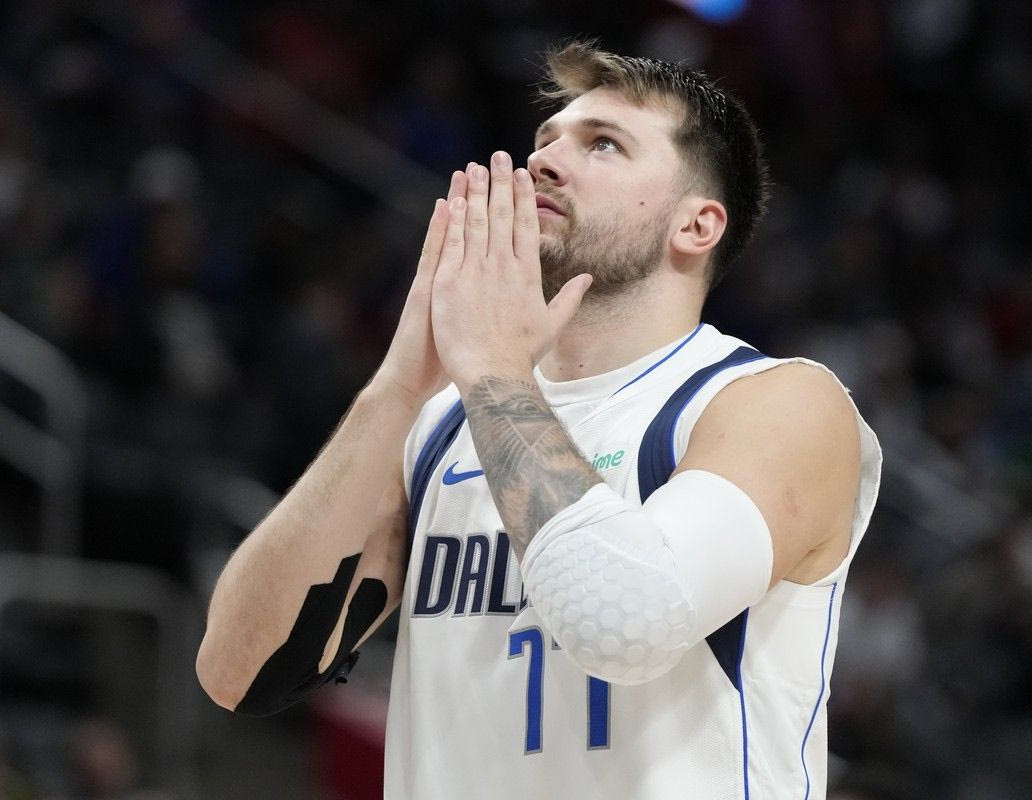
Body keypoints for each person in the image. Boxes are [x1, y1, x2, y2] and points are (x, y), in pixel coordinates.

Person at [196, 41, 881, 800]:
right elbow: (237, 673)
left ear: (696, 225)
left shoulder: (774, 403)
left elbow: (626, 623)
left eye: (603, 144)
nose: (544, 163)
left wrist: (491, 369)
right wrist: (397, 385)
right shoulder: (440, 421)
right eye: (545, 141)